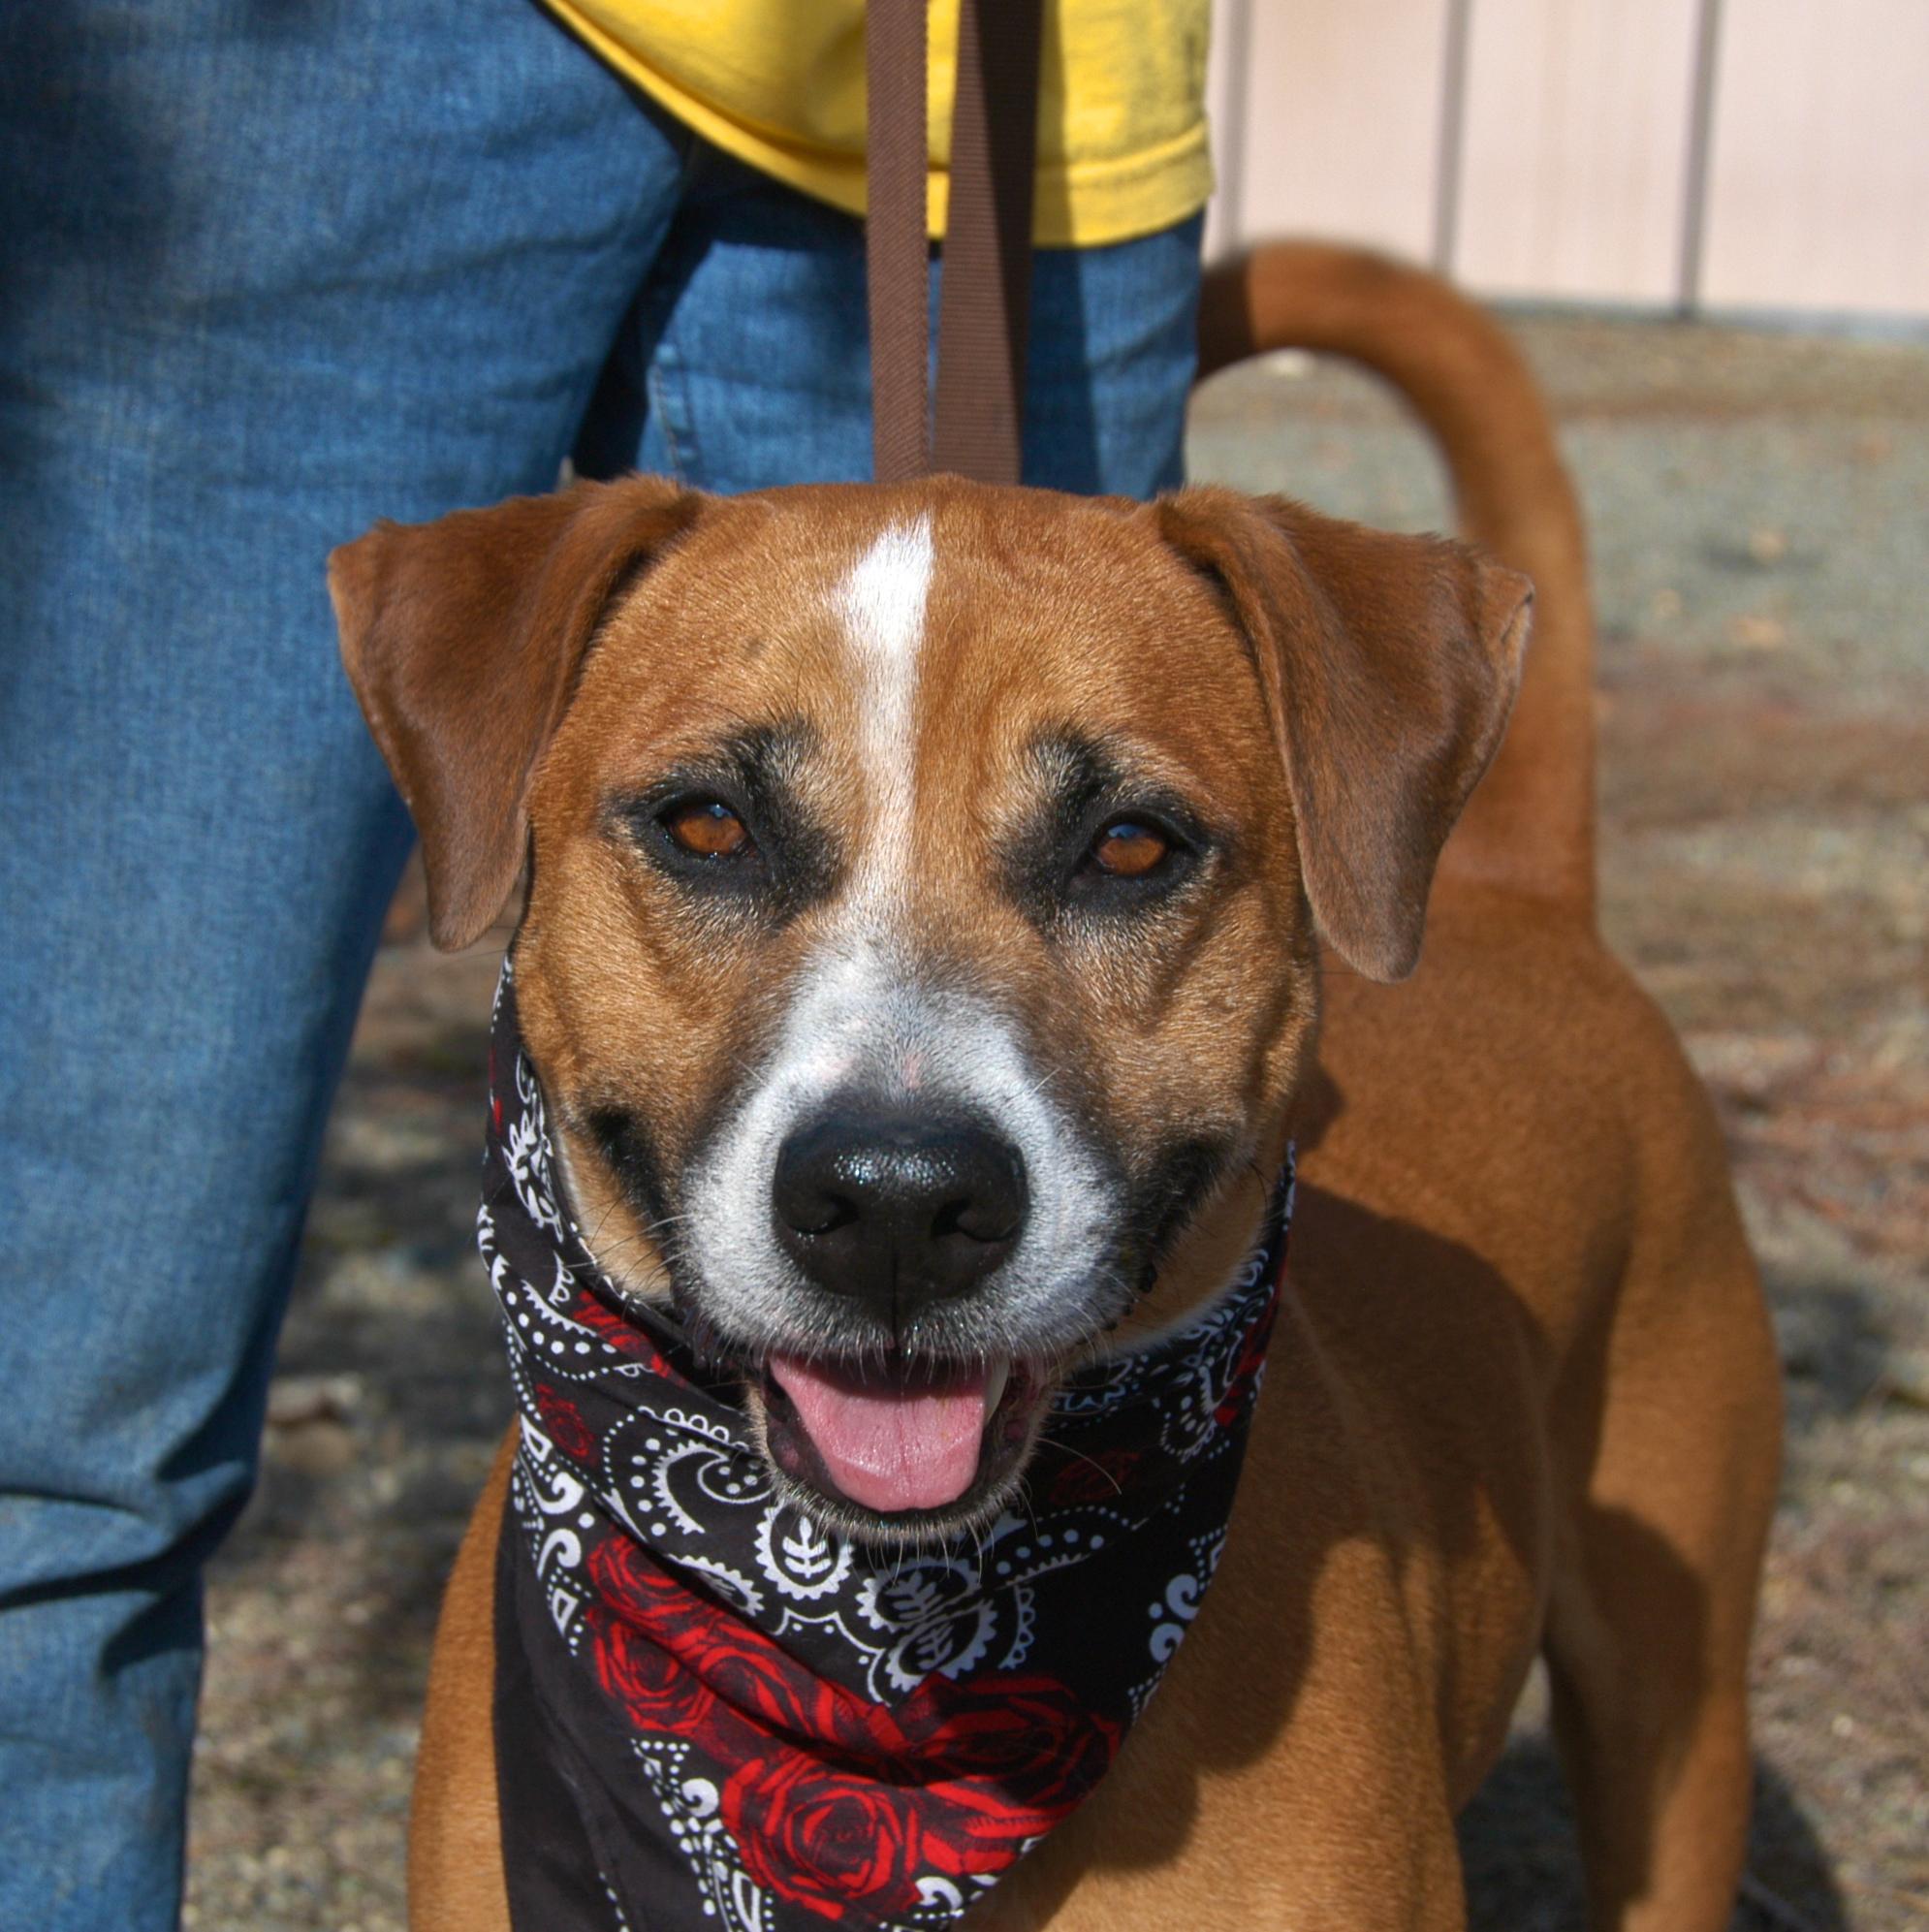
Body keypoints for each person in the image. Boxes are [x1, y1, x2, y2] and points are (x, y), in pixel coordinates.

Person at [0, 2, 1210, 1924]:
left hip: (1014, 68)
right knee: (52, 1445)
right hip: (309, 68)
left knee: (1089, 1428)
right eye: (715, 840)